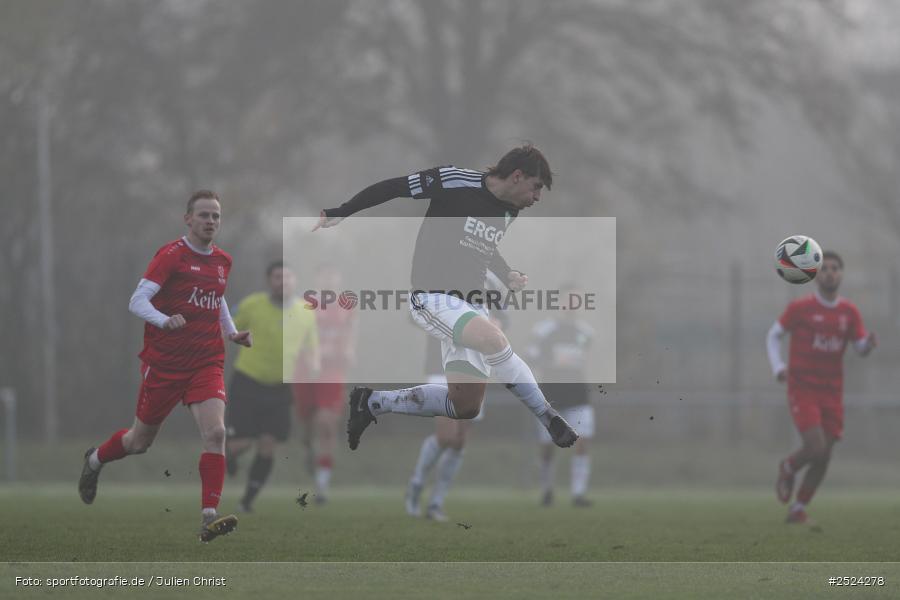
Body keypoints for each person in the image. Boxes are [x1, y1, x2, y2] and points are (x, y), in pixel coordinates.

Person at [313, 144, 579, 453]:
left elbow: (483, 245)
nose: (537, 197)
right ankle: (548, 416)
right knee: (495, 339)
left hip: (472, 304)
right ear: (517, 176)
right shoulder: (454, 180)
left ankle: (372, 402)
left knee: (465, 406)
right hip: (434, 297)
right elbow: (394, 187)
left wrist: (506, 273)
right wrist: (342, 211)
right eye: (536, 188)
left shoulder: (510, 211)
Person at [77, 190, 252, 542]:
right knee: (138, 441)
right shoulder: (171, 256)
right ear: (188, 219)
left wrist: (231, 333)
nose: (210, 221)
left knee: (216, 433)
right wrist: (161, 319)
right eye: (203, 215)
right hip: (166, 366)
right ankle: (95, 459)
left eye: (216, 216)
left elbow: (217, 300)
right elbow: (137, 300)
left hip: (206, 360)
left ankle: (208, 519)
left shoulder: (222, 261)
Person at [767, 250, 877, 524]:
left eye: (835, 268)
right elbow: (773, 335)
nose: (830, 272)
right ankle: (789, 467)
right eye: (825, 268)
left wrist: (868, 346)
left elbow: (860, 345)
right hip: (802, 388)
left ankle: (798, 508)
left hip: (832, 392)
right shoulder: (800, 309)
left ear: (840, 274)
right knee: (815, 446)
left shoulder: (849, 312)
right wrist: (778, 367)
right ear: (815, 275)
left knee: (825, 454)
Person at [225, 261, 319, 512]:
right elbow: (227, 326)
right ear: (269, 281)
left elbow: (311, 349)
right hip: (248, 381)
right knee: (241, 444)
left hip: (280, 388)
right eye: (278, 277)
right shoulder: (252, 304)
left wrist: (312, 367)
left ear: (295, 281)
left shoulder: (305, 311)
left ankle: (247, 501)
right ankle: (229, 456)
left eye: (287, 277)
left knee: (268, 445)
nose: (283, 282)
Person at [405, 310, 508, 522]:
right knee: (446, 436)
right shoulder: (441, 283)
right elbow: (414, 313)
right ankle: (416, 484)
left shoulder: (486, 284)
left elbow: (501, 318)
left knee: (459, 441)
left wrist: (495, 324)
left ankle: (436, 502)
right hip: (441, 365)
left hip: (474, 368)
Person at [293, 264, 356, 504]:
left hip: (332, 370)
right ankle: (309, 450)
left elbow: (351, 333)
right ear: (317, 278)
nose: (330, 279)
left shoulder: (347, 305)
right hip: (306, 371)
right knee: (308, 427)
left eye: (334, 274)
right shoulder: (303, 303)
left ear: (339, 279)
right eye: (325, 275)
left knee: (327, 421)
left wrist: (349, 352)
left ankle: (322, 485)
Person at [530, 284, 596, 508]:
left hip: (577, 393)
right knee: (548, 445)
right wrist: (553, 364)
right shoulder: (544, 330)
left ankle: (578, 494)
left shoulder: (585, 332)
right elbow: (532, 358)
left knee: (583, 442)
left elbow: (586, 358)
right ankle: (547, 490)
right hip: (551, 393)